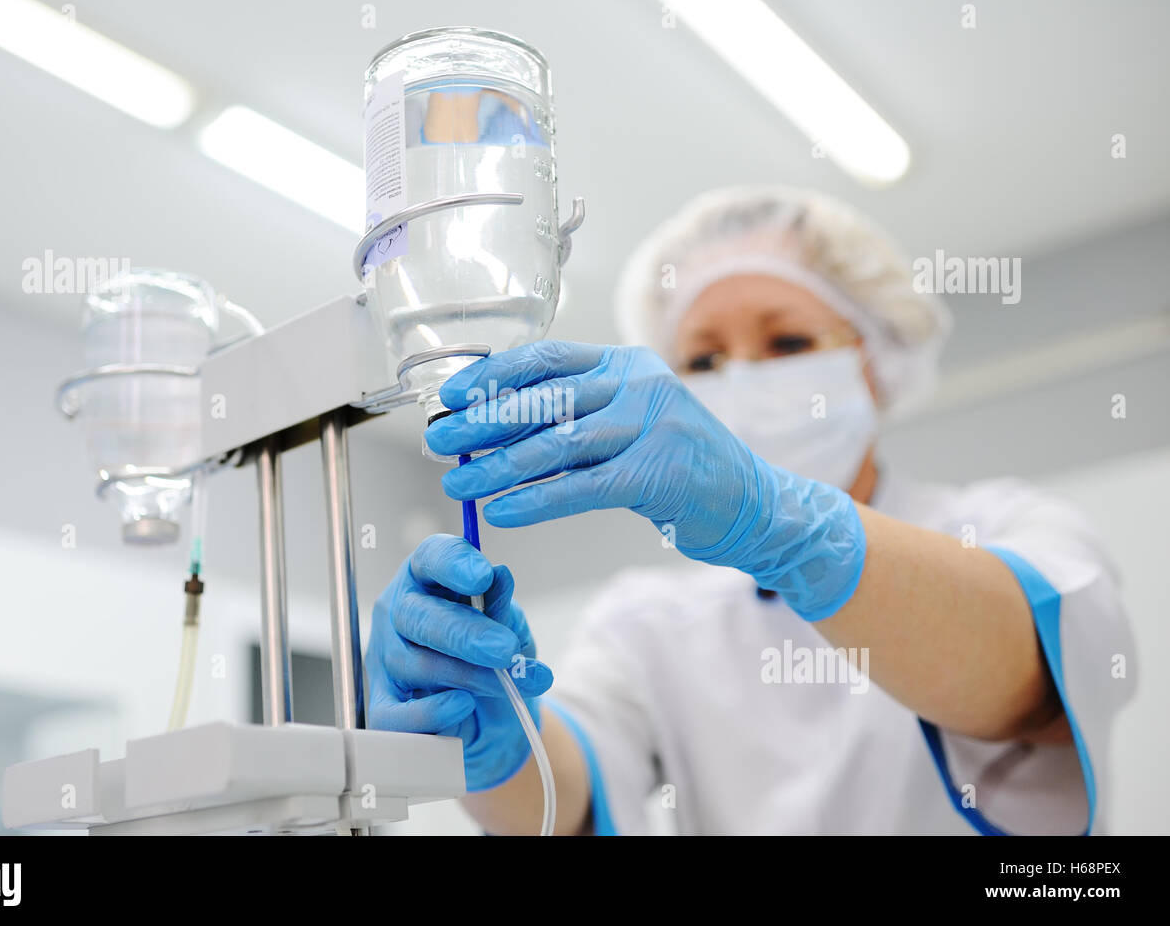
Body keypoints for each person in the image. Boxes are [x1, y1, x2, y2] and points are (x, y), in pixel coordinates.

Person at [366, 186, 1136, 835]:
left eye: (789, 340)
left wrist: (783, 528)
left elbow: (1028, 670)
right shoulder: (650, 622)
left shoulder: (1005, 525)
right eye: (702, 360)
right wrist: (498, 740)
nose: (745, 378)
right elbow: (567, 793)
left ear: (878, 359)